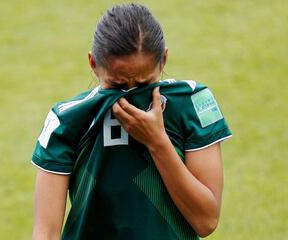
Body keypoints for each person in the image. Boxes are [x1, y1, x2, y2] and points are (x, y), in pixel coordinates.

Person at [31, 3, 232, 240]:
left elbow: (206, 220)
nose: (130, 94)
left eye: (144, 84)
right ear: (94, 64)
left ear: (163, 60)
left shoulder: (193, 105)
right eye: (117, 85)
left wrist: (157, 142)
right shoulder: (66, 120)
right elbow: (46, 233)